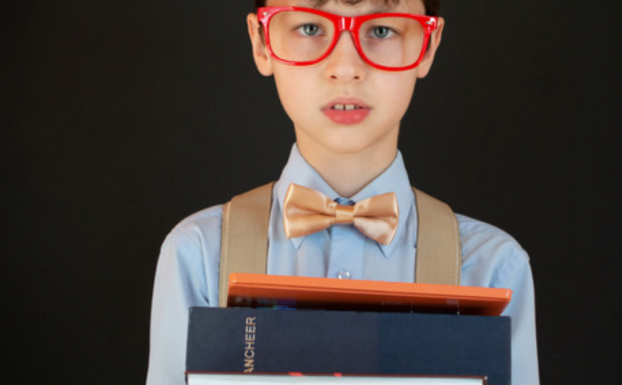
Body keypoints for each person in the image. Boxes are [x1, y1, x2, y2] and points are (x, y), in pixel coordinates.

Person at [146, 0, 540, 384]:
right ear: (261, 42)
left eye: (381, 30)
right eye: (311, 28)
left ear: (428, 46)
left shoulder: (492, 269)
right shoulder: (197, 255)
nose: (346, 68)